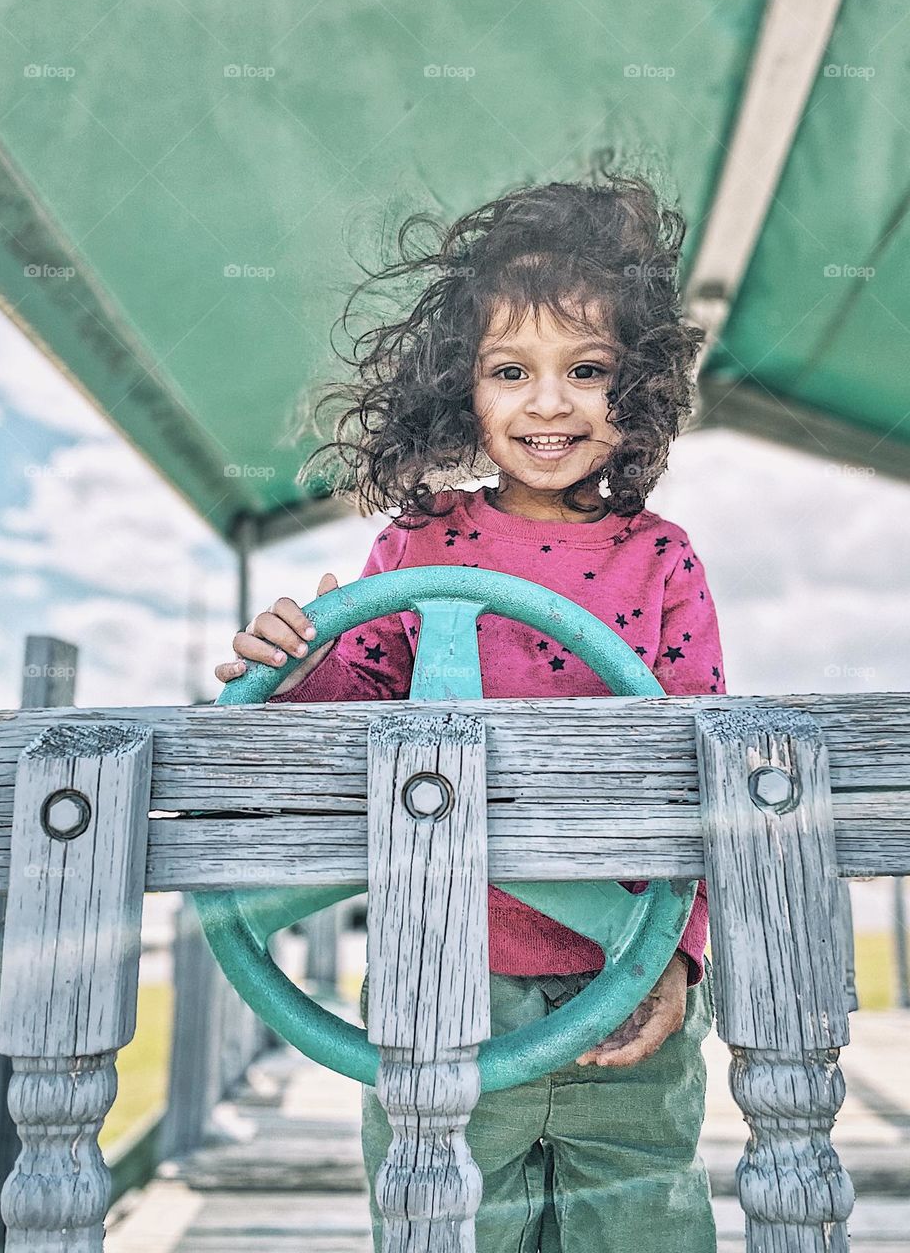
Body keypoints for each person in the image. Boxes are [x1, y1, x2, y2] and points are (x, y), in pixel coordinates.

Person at [214, 163, 726, 1252]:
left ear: (636, 386)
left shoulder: (663, 561)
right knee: (440, 1221)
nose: (549, 402)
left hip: (620, 974)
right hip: (437, 974)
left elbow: (702, 767)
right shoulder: (416, 544)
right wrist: (298, 670)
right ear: (462, 388)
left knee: (645, 1221)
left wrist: (680, 952)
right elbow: (360, 706)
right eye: (510, 371)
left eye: (586, 370)